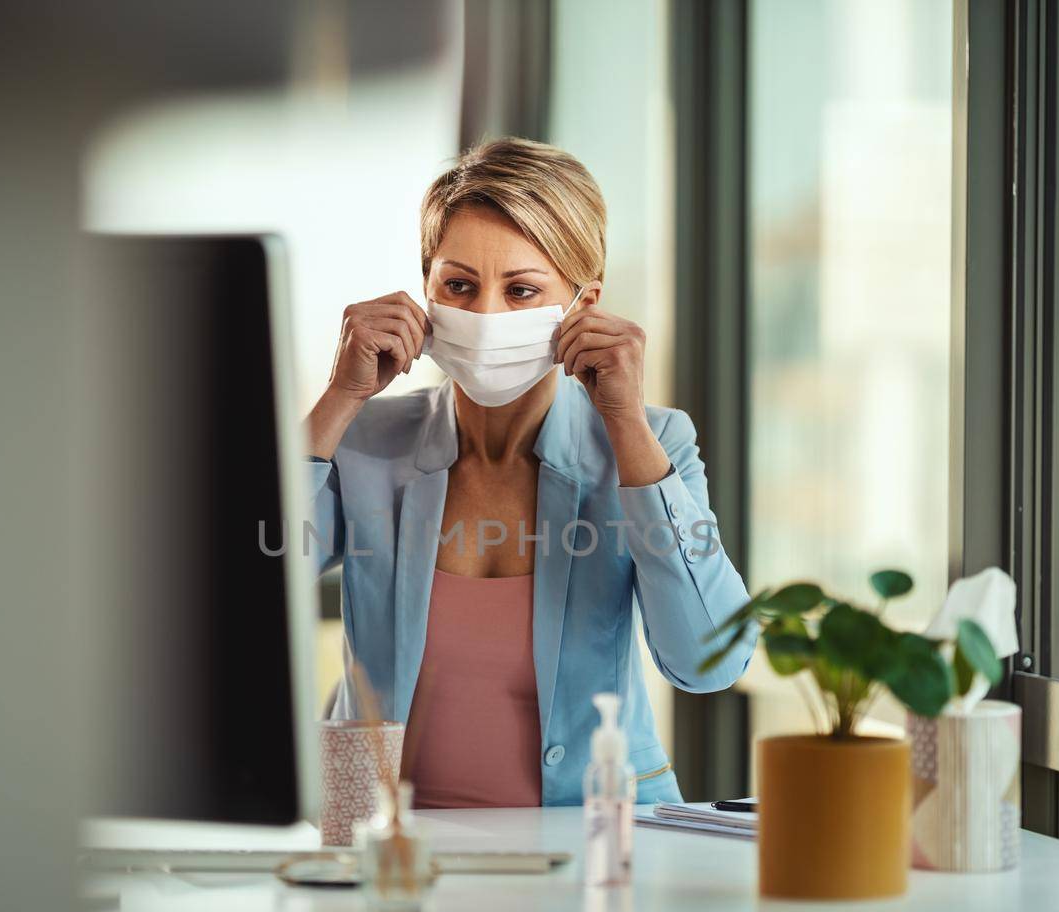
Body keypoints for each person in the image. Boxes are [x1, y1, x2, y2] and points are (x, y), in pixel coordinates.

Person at [302, 136, 756, 812]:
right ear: (424, 292)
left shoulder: (654, 443)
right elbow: (232, 595)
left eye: (521, 290)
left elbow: (709, 661)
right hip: (384, 852)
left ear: (582, 303)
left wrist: (625, 424)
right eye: (459, 286)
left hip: (595, 848)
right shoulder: (367, 441)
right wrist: (339, 397)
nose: (486, 316)